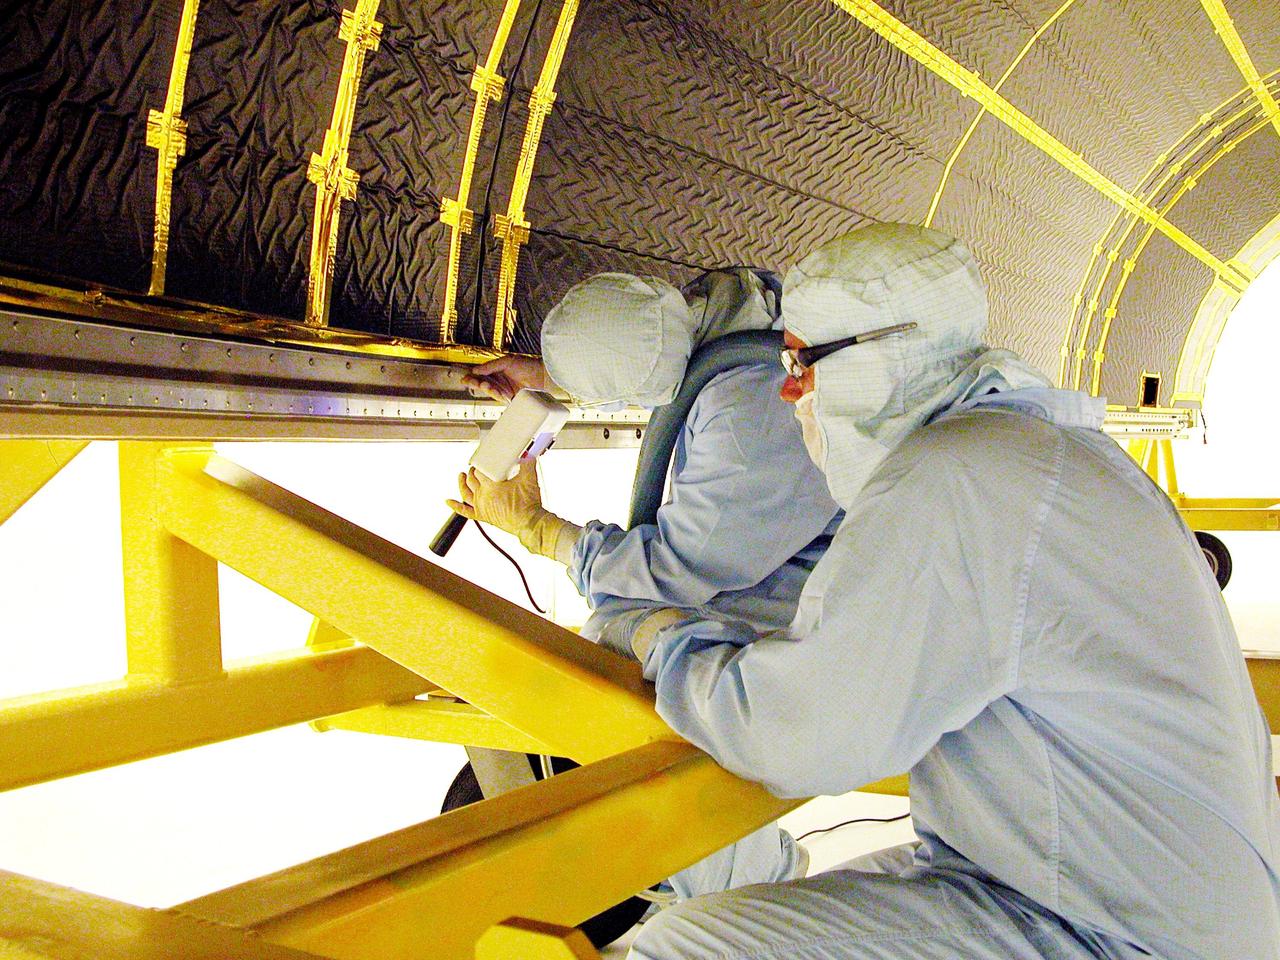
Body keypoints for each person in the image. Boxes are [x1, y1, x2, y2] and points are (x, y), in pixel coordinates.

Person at [595, 223, 1280, 960]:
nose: (788, 389)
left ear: (877, 358)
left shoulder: (955, 477)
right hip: (1107, 890)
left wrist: (664, 639)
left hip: (1108, 929)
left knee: (689, 949)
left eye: (802, 362)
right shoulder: (1048, 451)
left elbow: (800, 732)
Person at [449, 267, 843, 899]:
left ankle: (747, 894)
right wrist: (563, 377)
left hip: (805, 612)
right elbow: (658, 353)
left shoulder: (751, 419)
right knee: (619, 646)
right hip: (779, 574)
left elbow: (670, 578)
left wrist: (537, 528)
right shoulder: (719, 318)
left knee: (652, 673)